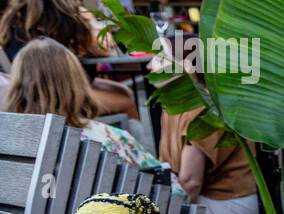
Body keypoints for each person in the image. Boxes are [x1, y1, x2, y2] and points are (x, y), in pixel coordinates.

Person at [6, 38, 182, 193]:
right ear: (75, 82)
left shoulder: (9, 144)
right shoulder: (109, 139)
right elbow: (173, 189)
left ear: (16, 88)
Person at [0, 0, 138, 119]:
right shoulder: (70, 20)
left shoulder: (11, 21)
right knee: (126, 98)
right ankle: (127, 144)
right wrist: (90, 20)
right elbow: (107, 50)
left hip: (23, 97)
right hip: (62, 98)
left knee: (122, 90)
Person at [156, 36, 260, 214]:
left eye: (161, 59)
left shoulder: (202, 107)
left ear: (187, 66)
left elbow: (190, 182)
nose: (151, 66)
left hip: (232, 203)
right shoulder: (175, 106)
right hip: (207, 198)